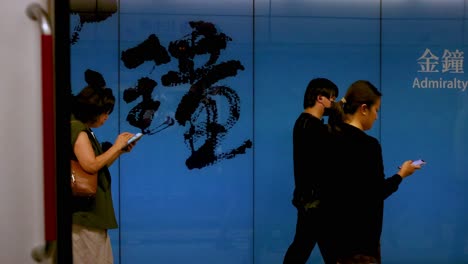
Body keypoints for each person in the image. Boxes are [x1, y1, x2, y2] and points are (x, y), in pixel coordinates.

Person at [326, 80, 422, 264]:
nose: (376, 116)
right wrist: (401, 174)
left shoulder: (329, 137)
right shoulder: (368, 146)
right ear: (364, 108)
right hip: (361, 239)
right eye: (376, 110)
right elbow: (376, 192)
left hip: (333, 237)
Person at [71, 70, 138, 264]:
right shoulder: (77, 129)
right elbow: (90, 165)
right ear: (93, 111)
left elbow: (96, 165)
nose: (106, 117)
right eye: (105, 113)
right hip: (85, 215)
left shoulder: (83, 130)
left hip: (92, 215)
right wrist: (116, 146)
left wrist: (119, 151)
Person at [283, 78, 339, 264]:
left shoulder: (305, 123)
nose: (334, 103)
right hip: (315, 202)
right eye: (332, 98)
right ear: (320, 98)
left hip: (310, 201)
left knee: (303, 248)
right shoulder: (311, 125)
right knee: (307, 249)